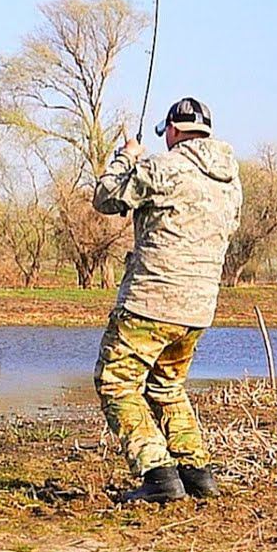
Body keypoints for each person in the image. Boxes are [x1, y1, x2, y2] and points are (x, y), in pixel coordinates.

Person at [91, 97, 243, 503]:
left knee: (116, 382)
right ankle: (196, 474)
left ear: (174, 131)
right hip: (198, 308)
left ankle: (158, 474)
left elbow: (106, 197)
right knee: (167, 387)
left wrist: (127, 156)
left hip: (150, 300)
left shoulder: (161, 167)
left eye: (168, 133)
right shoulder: (229, 180)